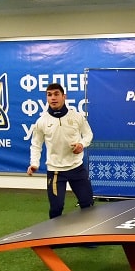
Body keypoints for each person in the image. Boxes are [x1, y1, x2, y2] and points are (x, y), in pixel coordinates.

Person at [27, 83, 94, 218]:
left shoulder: (76, 116)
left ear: (64, 97)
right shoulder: (42, 121)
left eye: (56, 94)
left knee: (88, 204)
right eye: (49, 95)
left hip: (77, 168)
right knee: (56, 208)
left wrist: (81, 144)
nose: (53, 98)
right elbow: (36, 145)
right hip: (55, 171)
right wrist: (34, 163)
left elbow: (88, 135)